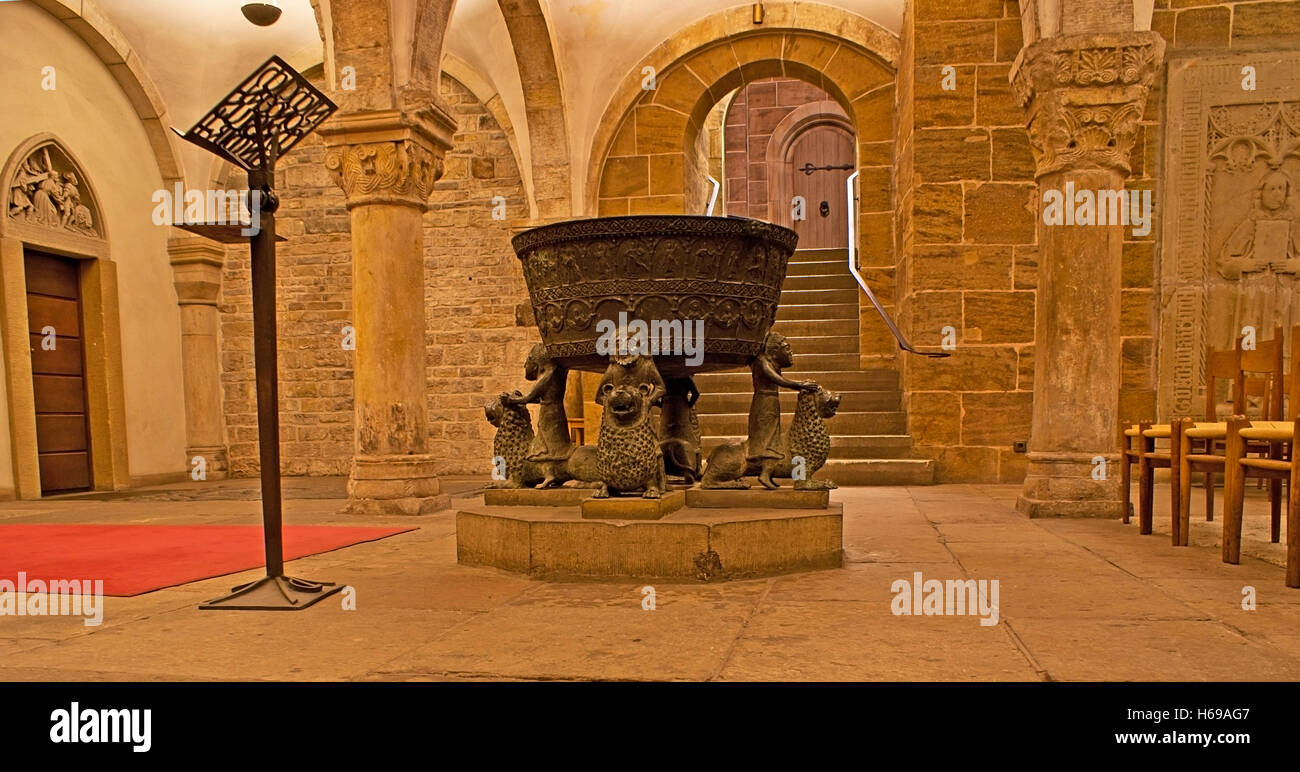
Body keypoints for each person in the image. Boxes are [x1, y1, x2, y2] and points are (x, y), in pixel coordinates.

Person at [746, 332, 818, 489]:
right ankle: (764, 472)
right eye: (786, 348)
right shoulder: (762, 361)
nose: (789, 352)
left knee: (772, 437)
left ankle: (767, 472)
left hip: (771, 402)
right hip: (764, 402)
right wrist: (799, 385)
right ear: (773, 350)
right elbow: (776, 379)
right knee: (766, 438)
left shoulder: (768, 361)